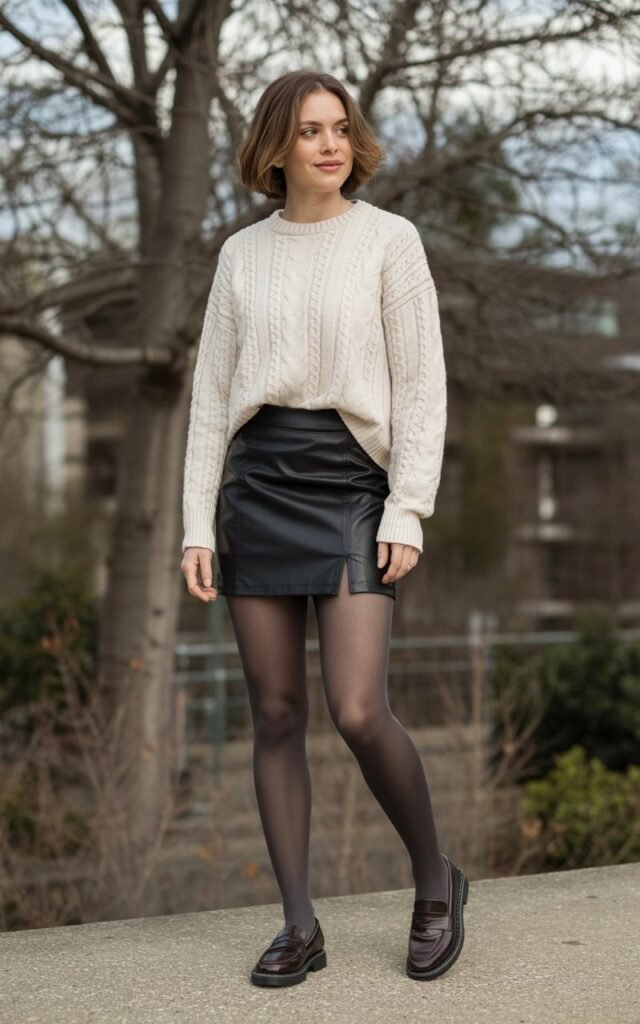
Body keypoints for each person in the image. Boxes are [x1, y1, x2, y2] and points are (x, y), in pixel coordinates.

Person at [180, 69, 468, 987]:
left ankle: (435, 880)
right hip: (257, 488)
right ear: (277, 146)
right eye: (310, 130)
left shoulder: (390, 241)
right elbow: (209, 400)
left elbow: (421, 387)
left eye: (340, 127)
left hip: (351, 487)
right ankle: (299, 926)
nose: (330, 144)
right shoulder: (240, 256)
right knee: (273, 715)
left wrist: (408, 506)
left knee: (356, 709)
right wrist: (196, 526)